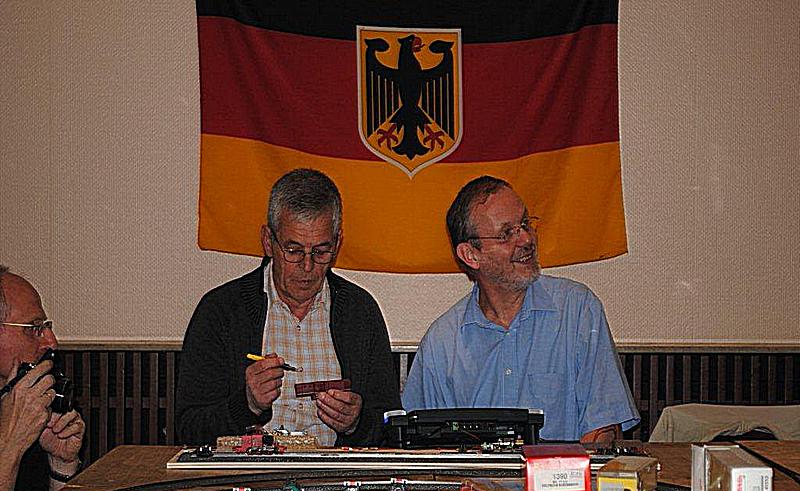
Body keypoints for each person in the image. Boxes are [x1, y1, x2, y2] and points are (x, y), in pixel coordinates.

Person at [401, 176, 639, 443]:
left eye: (525, 224)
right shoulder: (442, 343)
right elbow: (422, 444)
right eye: (506, 234)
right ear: (471, 255)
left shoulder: (578, 311)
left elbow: (605, 429)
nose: (526, 239)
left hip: (565, 471)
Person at [177, 169, 400, 446]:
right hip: (251, 469)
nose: (307, 266)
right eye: (293, 251)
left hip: (333, 469)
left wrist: (358, 423)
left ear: (338, 244)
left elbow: (392, 429)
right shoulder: (222, 311)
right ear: (268, 241)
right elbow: (189, 429)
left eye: (320, 251)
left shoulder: (360, 312)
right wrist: (247, 404)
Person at [0, 266, 85, 491]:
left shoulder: (33, 403)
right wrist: (10, 444)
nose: (51, 342)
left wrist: (61, 466)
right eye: (34, 328)